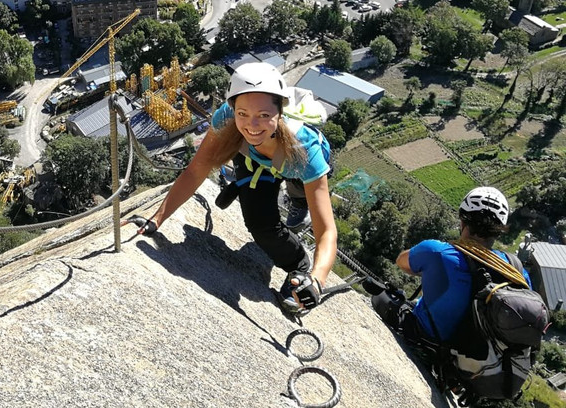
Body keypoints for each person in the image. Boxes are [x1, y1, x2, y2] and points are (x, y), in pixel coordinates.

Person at [128, 62, 336, 311]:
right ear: (233, 109)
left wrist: (315, 279)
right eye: (243, 113)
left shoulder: (306, 150)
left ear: (280, 112)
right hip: (253, 158)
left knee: (300, 193)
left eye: (264, 115)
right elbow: (196, 171)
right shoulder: (227, 120)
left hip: (293, 165)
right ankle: (247, 184)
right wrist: (156, 220)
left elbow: (326, 231)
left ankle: (298, 259)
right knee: (260, 226)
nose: (252, 124)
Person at [370, 186, 530, 346]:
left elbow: (402, 262)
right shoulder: (516, 269)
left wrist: (434, 272)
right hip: (486, 359)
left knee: (381, 297)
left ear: (462, 220)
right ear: (499, 231)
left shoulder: (437, 252)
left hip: (431, 341)